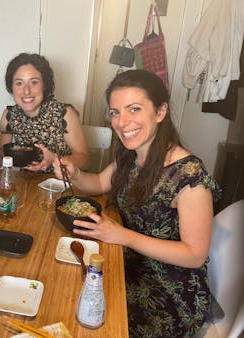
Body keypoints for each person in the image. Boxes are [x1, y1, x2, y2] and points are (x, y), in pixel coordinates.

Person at [53, 69, 221, 337]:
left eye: (134, 109)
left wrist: (123, 236)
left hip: (169, 291)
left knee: (89, 320)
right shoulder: (132, 155)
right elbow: (97, 182)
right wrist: (75, 173)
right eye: (115, 112)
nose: (122, 121)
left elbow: (194, 254)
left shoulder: (189, 174)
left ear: (160, 112)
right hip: (127, 263)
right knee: (62, 290)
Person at [0, 52, 89, 171]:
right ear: (11, 87)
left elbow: (84, 160)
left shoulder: (64, 113)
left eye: (34, 82)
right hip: (25, 184)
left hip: (61, 184)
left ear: (44, 85)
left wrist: (54, 159)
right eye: (19, 83)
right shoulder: (10, 114)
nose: (26, 91)